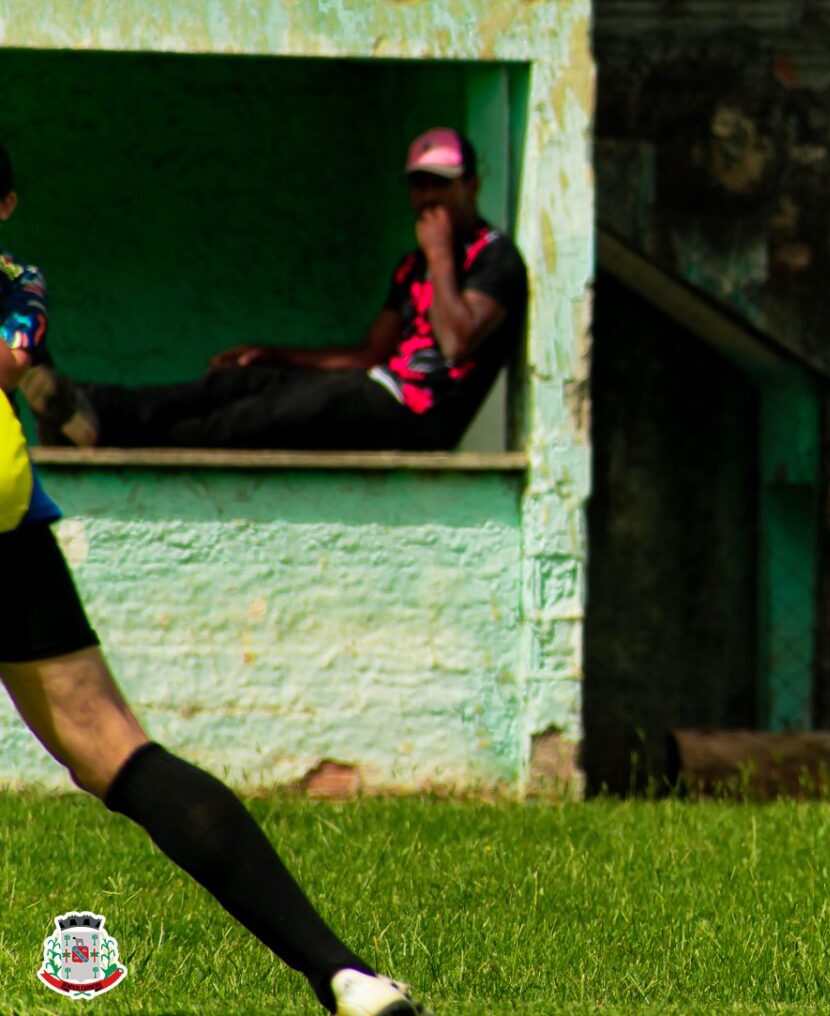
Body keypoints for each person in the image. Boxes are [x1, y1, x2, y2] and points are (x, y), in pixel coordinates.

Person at [0, 141, 419, 1016]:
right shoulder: (18, 277)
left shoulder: (16, 282)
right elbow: (18, 358)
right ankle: (345, 976)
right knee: (119, 751)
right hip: (5, 514)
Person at [25, 127, 526, 452]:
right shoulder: (411, 266)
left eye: (442, 183)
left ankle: (116, 438)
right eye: (420, 185)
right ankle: (93, 406)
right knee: (243, 383)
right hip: (375, 388)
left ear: (473, 187)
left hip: (417, 420)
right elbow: (373, 352)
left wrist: (440, 256)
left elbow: (459, 342)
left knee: (264, 417)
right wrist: (276, 356)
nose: (429, 197)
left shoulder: (494, 257)